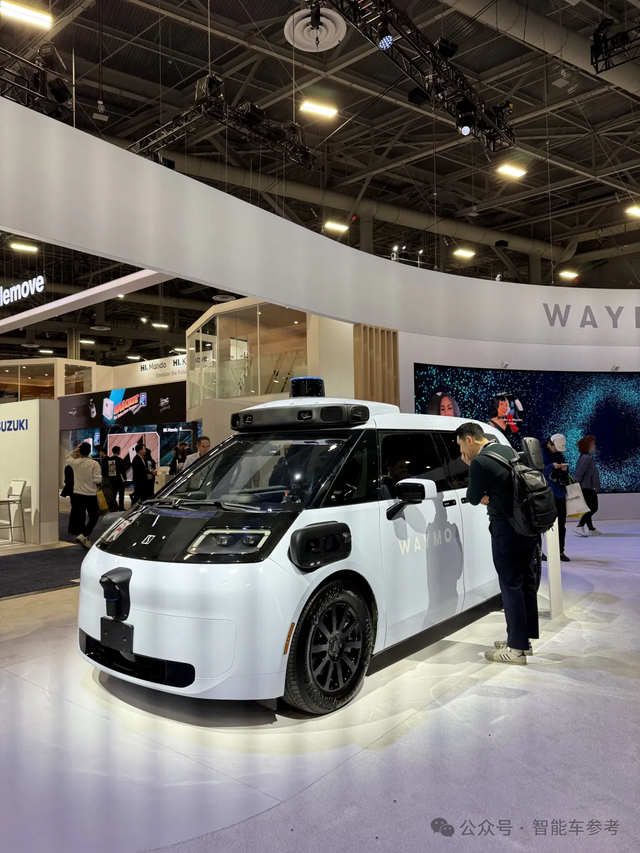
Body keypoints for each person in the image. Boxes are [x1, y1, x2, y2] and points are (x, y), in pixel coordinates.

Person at [456, 421, 538, 665]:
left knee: (510, 585)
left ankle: (516, 650)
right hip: (526, 525)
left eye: (461, 446)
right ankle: (522, 640)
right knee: (526, 582)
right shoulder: (506, 449)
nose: (462, 452)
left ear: (469, 439)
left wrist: (471, 467)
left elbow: (472, 497)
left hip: (506, 529)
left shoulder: (480, 462)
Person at [66, 442, 102, 548]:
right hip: (90, 494)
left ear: (79, 451)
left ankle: (85, 537)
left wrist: (74, 451)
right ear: (90, 451)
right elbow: (97, 480)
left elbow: (68, 457)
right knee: (94, 516)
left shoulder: (75, 463)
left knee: (80, 517)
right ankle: (84, 535)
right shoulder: (94, 464)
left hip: (77, 494)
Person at [542, 434, 571, 562]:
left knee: (561, 523)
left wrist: (564, 469)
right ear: (550, 443)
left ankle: (560, 551)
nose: (556, 451)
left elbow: (565, 473)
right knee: (543, 523)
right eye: (555, 448)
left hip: (559, 492)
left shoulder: (559, 454)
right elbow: (537, 472)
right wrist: (552, 467)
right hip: (546, 493)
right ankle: (540, 551)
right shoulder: (540, 452)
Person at [574, 435, 602, 536]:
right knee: (593, 508)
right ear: (588, 445)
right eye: (593, 444)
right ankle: (580, 525)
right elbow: (579, 473)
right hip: (586, 487)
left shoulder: (586, 457)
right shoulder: (586, 458)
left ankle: (591, 529)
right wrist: (576, 486)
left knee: (589, 508)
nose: (594, 445)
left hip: (587, 486)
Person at [109, 446, 127, 511]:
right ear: (119, 451)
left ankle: (113, 507)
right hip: (120, 480)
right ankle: (121, 507)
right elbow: (123, 470)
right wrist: (125, 478)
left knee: (113, 494)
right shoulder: (120, 460)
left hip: (113, 480)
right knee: (121, 495)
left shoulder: (110, 460)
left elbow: (111, 471)